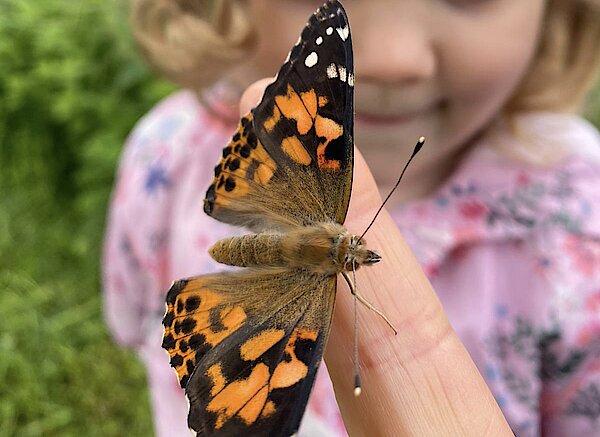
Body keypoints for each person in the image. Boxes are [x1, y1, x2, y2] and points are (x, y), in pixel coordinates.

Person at [103, 0, 600, 435]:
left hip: (264, 194)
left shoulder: (579, 228)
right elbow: (131, 315)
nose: (391, 58)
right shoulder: (168, 152)